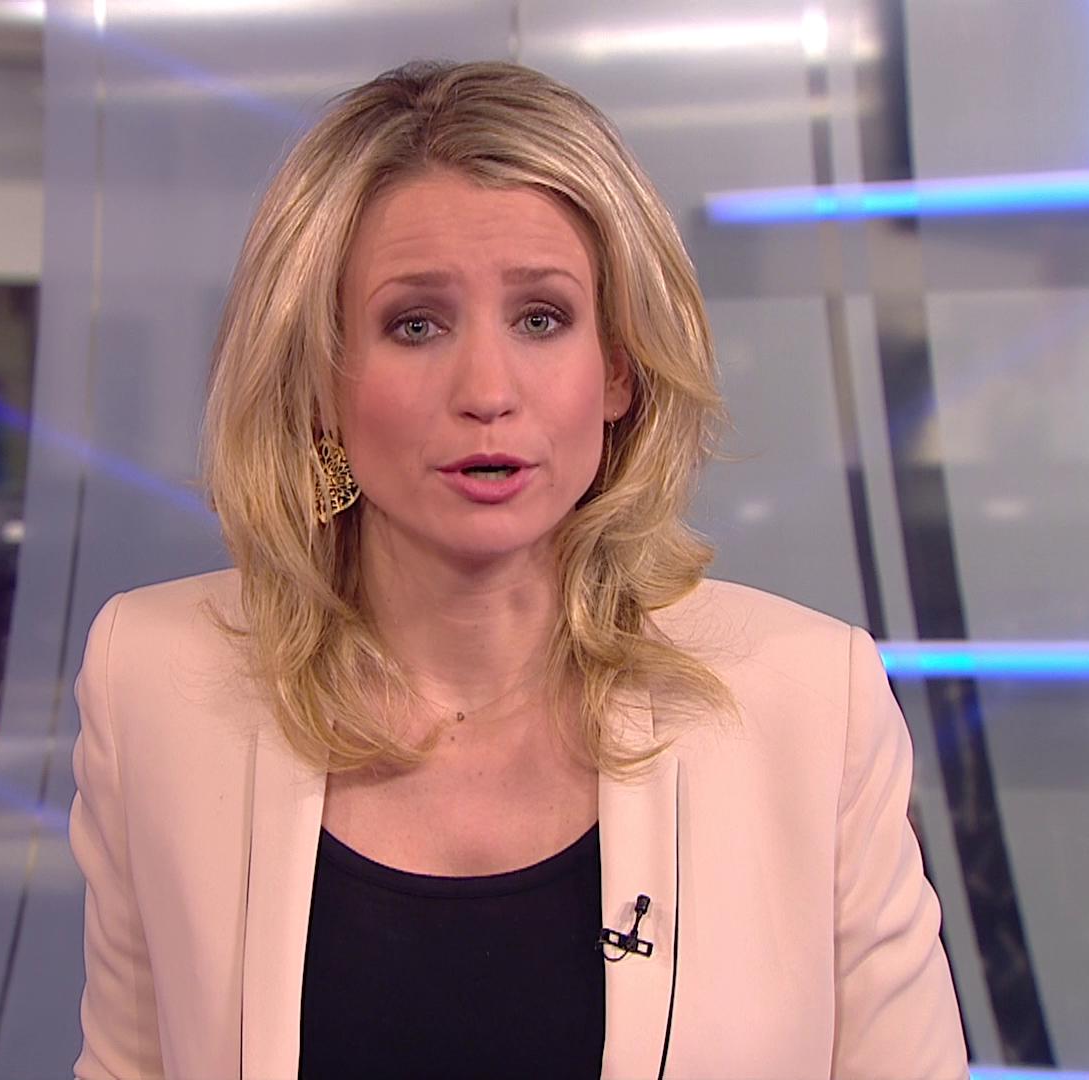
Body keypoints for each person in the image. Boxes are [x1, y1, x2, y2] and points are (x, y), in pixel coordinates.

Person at [68, 59, 965, 1079]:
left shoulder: (810, 701)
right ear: (319, 378)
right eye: (416, 325)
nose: (487, 390)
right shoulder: (153, 680)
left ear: (618, 367)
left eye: (542, 318)